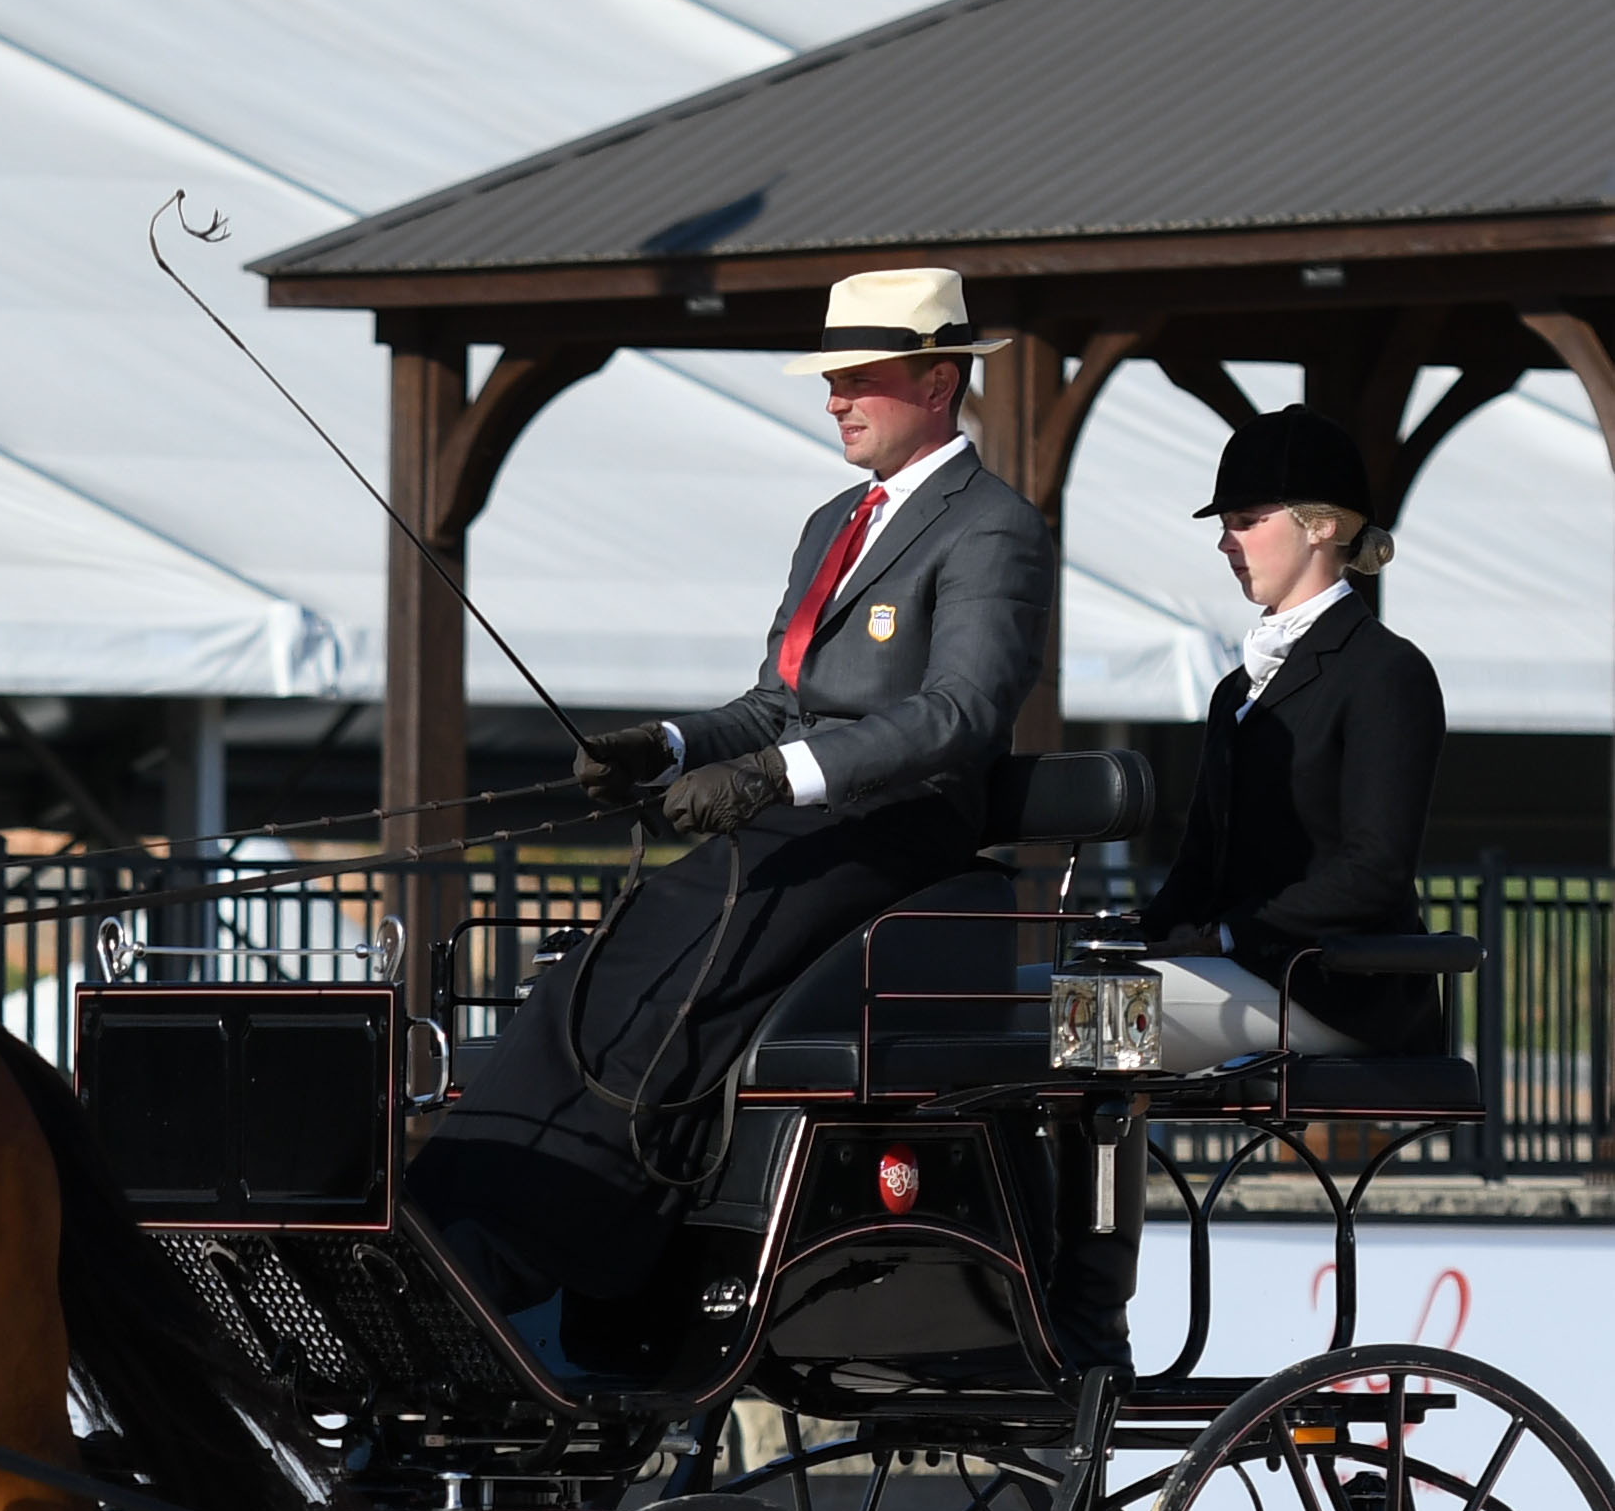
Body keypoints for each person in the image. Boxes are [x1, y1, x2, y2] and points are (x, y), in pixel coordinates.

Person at [408, 267, 1056, 1334]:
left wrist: (777, 776)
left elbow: (961, 715)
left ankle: (553, 1237)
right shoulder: (834, 524)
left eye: (861, 377)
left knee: (687, 956)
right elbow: (774, 702)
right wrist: (663, 746)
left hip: (896, 832)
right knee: (600, 959)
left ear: (939, 381)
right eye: (832, 379)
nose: (837, 398)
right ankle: (453, 1211)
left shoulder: (990, 527)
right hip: (800, 821)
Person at [1131, 403, 1444, 1062]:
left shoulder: (1387, 673)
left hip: (1336, 987)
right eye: (1224, 526)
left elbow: (1374, 872)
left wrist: (1224, 936)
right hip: (1246, 973)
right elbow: (1196, 867)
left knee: (1072, 1012)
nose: (1225, 543)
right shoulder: (1233, 692)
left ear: (1320, 526)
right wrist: (1133, 937)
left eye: (1245, 522)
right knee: (1019, 997)